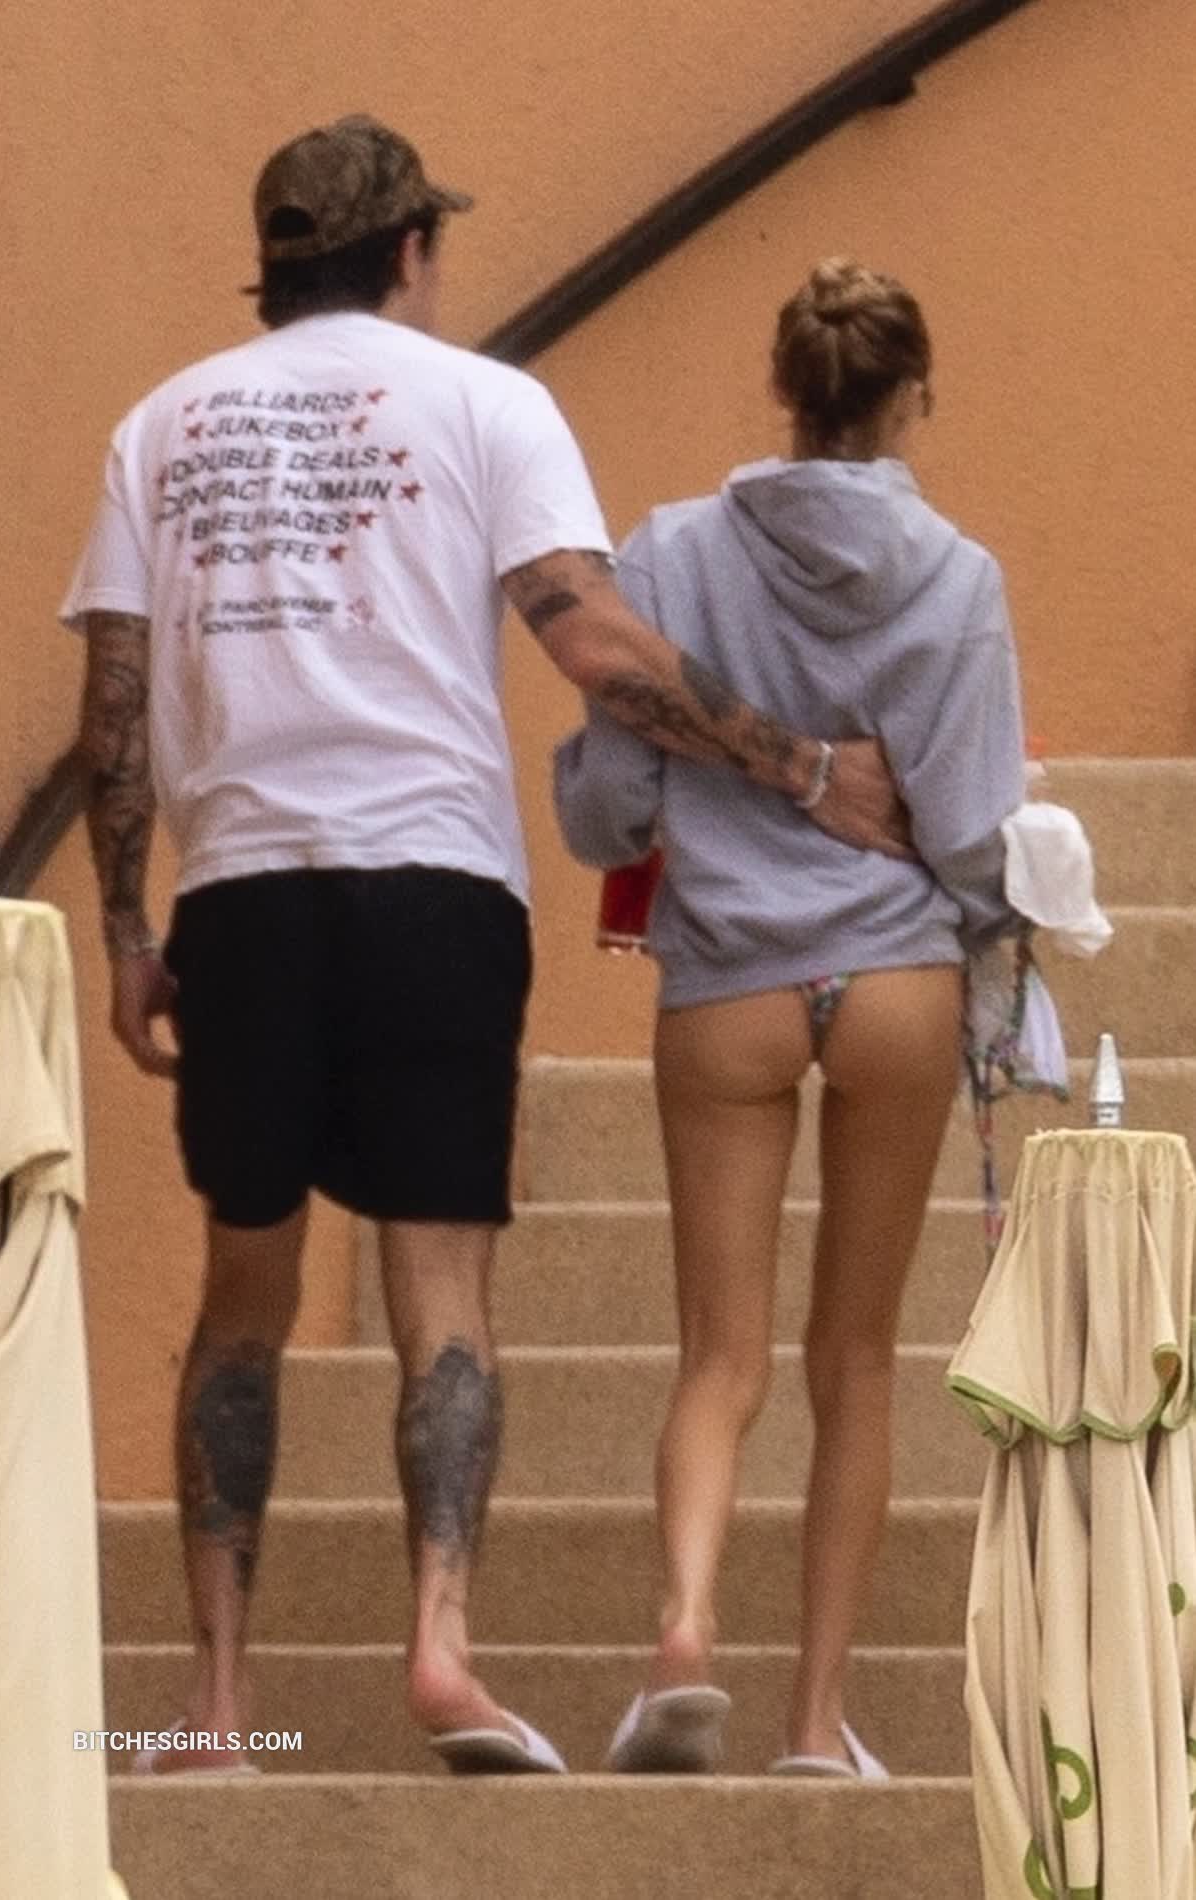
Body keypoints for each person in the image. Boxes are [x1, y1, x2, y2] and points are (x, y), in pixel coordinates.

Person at [64, 116, 909, 1779]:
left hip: (243, 887)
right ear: (409, 251)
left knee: (243, 1293)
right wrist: (801, 766)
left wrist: (125, 928)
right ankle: (442, 1647)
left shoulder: (159, 425)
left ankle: (217, 1707)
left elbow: (112, 703)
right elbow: (595, 645)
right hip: (438, 884)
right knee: (442, 1284)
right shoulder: (484, 405)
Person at [554, 258, 1026, 1777]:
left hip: (729, 979)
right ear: (915, 398)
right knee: (857, 1360)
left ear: (781, 389)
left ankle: (686, 1631)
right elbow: (974, 833)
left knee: (719, 1356)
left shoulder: (670, 553)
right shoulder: (959, 579)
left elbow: (613, 805)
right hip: (895, 980)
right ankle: (818, 1723)